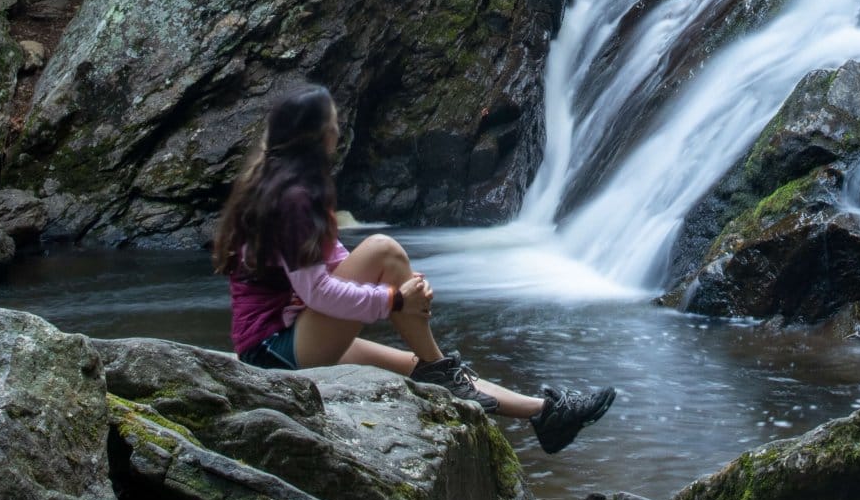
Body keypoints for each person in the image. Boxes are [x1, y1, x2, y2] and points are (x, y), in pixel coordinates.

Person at [214, 82, 615, 454]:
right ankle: (443, 370)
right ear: (317, 135)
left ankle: (545, 413)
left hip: (288, 336)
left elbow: (333, 262)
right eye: (333, 122)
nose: (339, 128)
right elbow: (319, 291)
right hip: (274, 352)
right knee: (383, 250)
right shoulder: (292, 199)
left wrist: (408, 291)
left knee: (414, 365)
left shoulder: (285, 188)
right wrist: (392, 300)